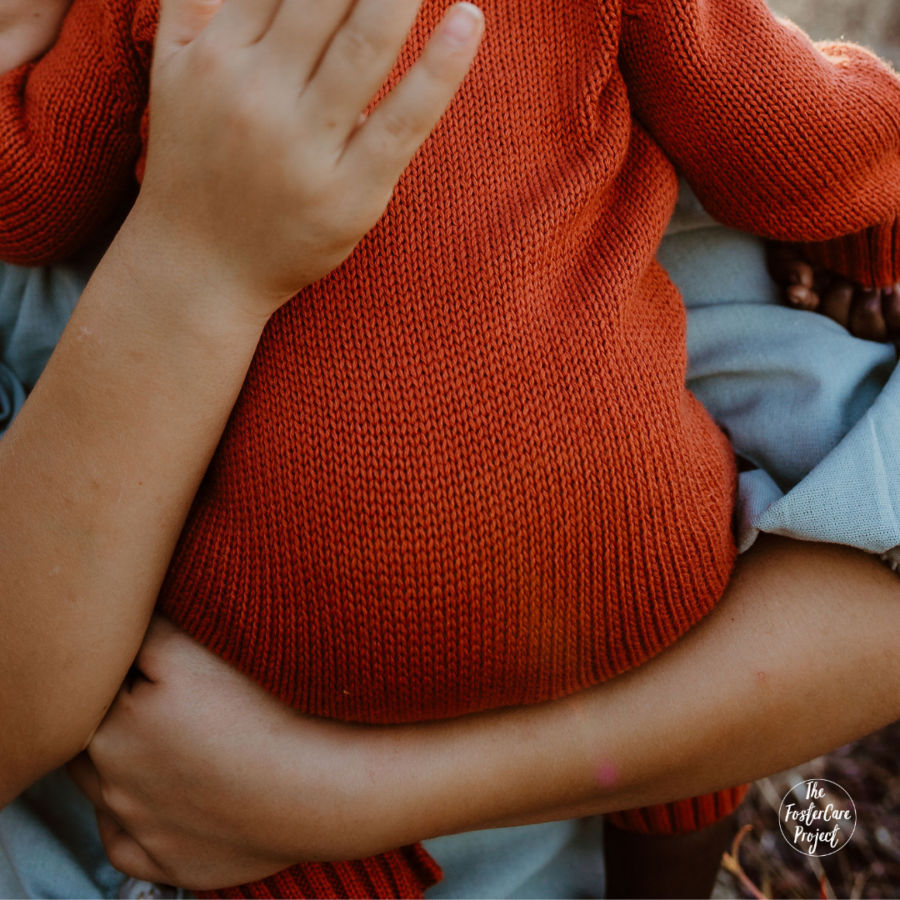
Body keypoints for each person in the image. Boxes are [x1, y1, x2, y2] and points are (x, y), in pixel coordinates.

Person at [2, 0, 900, 897]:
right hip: (643, 560)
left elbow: (35, 202)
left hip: (295, 644)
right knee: (676, 739)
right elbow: (788, 129)